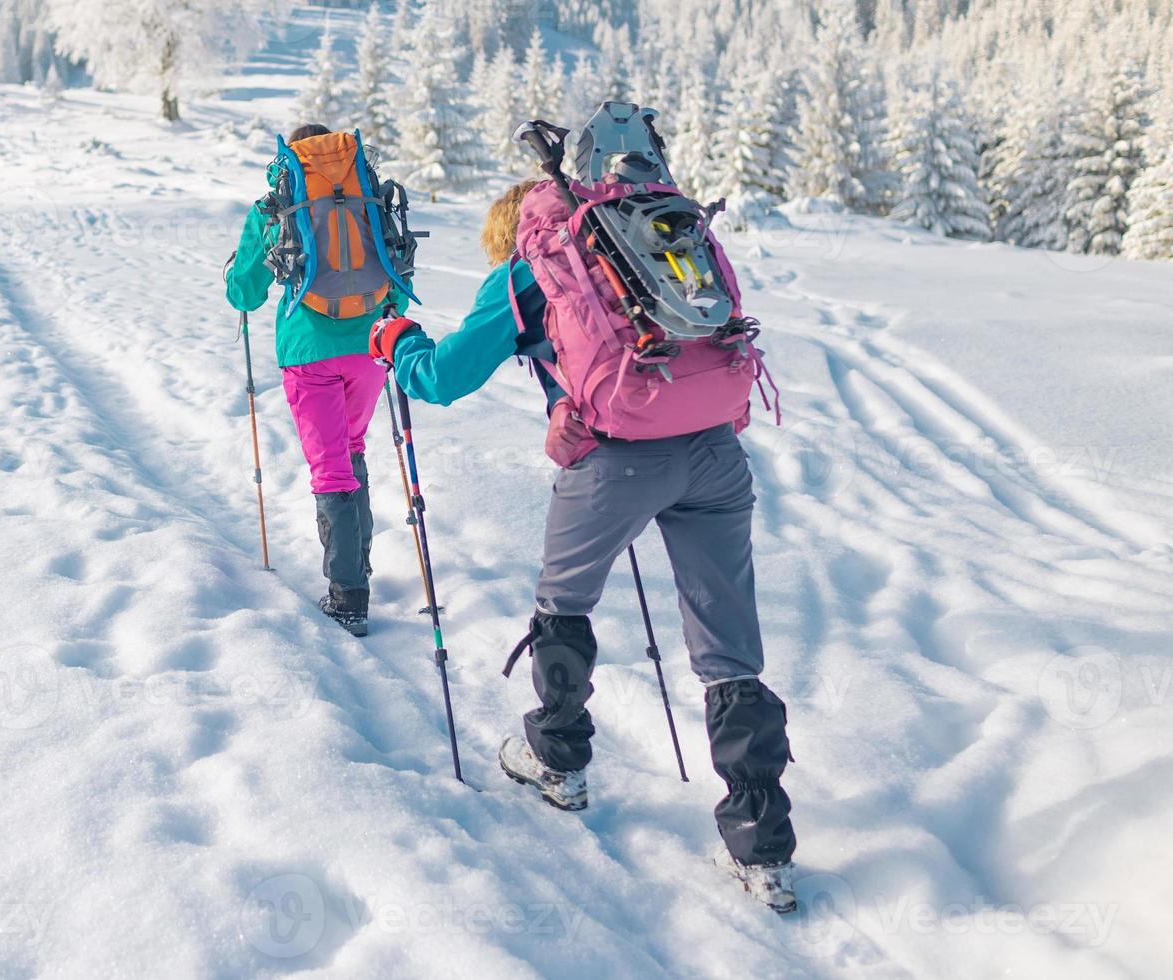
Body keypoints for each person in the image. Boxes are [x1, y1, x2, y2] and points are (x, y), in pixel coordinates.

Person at [367, 180, 799, 909]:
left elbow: (443, 378)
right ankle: (764, 849)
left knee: (563, 602)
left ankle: (557, 760)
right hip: (717, 452)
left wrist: (398, 342)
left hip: (616, 460)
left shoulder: (529, 274)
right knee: (730, 650)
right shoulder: (654, 248)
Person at [225, 123, 412, 637]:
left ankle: (348, 596)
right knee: (351, 448)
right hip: (372, 342)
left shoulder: (275, 206)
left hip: (308, 351)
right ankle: (360, 567)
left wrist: (235, 275)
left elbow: (245, 293)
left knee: (330, 466)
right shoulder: (365, 194)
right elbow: (395, 262)